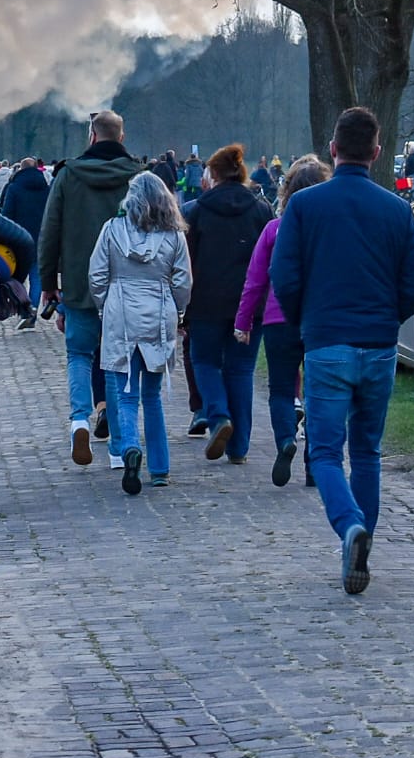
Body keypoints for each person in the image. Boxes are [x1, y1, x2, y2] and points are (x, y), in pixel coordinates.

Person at [270, 107, 414, 596]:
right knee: (366, 451)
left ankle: (349, 526)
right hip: (378, 344)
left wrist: (304, 319)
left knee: (323, 452)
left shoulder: (304, 206)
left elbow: (283, 276)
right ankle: (363, 543)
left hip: (326, 341)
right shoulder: (397, 210)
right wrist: (388, 317)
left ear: (333, 149)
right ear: (376, 152)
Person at [37, 110, 146, 467]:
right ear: (122, 137)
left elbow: (50, 232)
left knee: (79, 355)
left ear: (92, 136)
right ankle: (117, 448)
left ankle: (80, 420)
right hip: (126, 284)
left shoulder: (68, 175)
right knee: (116, 362)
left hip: (80, 283)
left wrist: (48, 284)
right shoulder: (139, 177)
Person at [88, 171, 193, 493]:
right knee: (152, 395)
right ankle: (159, 467)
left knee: (126, 394)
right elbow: (183, 280)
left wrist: (105, 307)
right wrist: (178, 312)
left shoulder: (111, 229)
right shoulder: (174, 236)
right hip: (158, 312)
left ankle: (130, 446)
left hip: (121, 311)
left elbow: (97, 275)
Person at [236, 155, 330, 486]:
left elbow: (255, 281)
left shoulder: (274, 230)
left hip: (278, 318)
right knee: (318, 390)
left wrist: (243, 321)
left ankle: (286, 438)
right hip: (319, 319)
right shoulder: (329, 233)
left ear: (286, 190)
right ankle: (313, 463)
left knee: (280, 387)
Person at [182, 143, 272, 465]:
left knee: (204, 361)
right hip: (250, 305)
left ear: (213, 174)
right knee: (241, 370)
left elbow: (187, 263)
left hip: (205, 303)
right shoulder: (261, 210)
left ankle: (218, 416)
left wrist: (183, 308)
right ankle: (239, 448)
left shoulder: (195, 211)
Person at [0, 156, 49, 330]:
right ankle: (31, 311)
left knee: (17, 278)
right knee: (36, 278)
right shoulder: (46, 188)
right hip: (41, 239)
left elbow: (6, 214)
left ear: (20, 169)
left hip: (19, 239)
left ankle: (23, 308)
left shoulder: (14, 188)